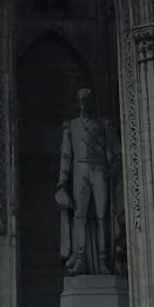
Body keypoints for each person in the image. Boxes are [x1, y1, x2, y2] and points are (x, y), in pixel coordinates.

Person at [56, 87, 123, 274]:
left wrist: (114, 168)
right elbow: (66, 156)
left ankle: (103, 260)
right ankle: (80, 259)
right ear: (79, 103)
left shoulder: (104, 125)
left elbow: (115, 152)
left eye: (88, 100)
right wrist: (62, 182)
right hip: (80, 171)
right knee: (79, 217)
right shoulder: (72, 126)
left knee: (102, 217)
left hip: (100, 169)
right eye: (82, 100)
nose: (85, 104)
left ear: (94, 102)